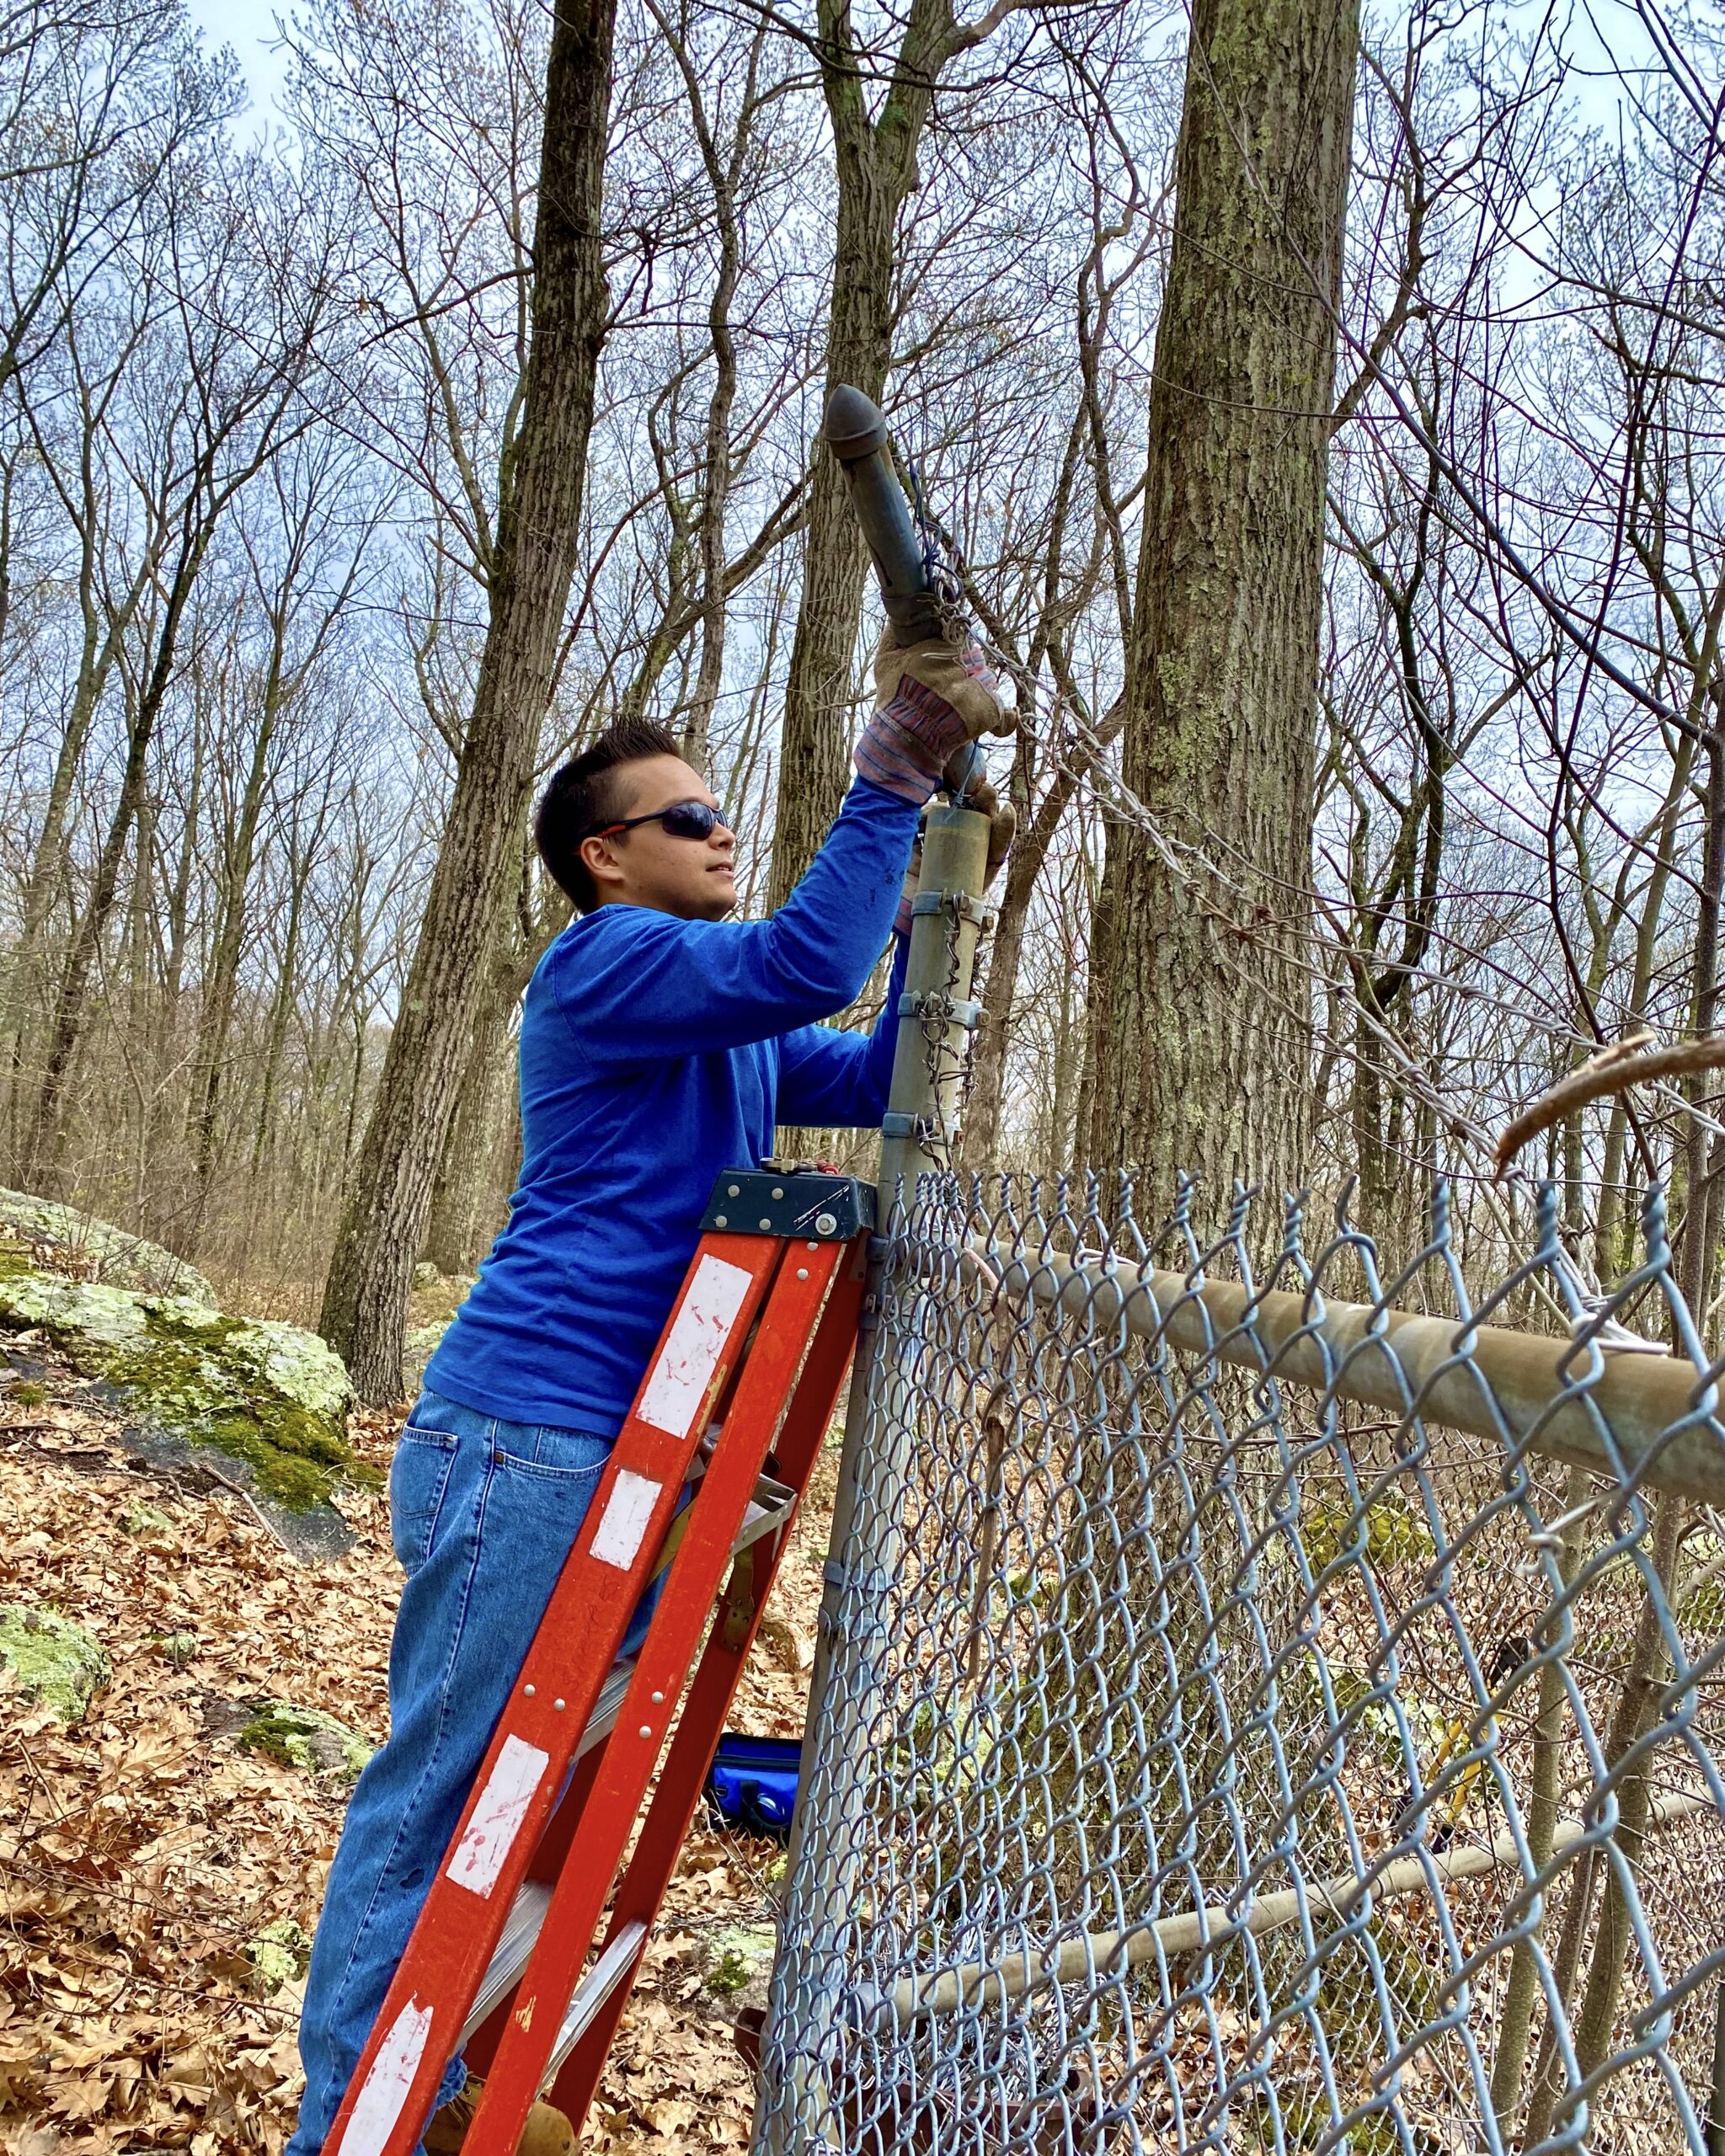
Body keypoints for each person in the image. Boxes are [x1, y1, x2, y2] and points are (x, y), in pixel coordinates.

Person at [287, 625, 1013, 2154]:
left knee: (531, 1802)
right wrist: (884, 778)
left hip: (616, 1455)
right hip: (528, 1436)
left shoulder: (726, 1032)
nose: (724, 828)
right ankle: (344, 2119)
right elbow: (809, 959)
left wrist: (952, 890)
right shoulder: (607, 963)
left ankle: (438, 2085)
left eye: (722, 808)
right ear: (609, 856)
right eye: (693, 816)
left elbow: (880, 1073)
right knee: (440, 1796)